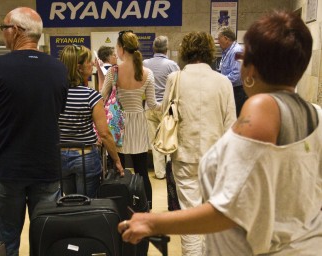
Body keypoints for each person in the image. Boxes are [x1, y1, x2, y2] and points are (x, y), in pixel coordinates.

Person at [118, 10, 322, 255]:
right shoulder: (316, 115)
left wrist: (152, 222)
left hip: (257, 245)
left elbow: (230, 209)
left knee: (191, 217)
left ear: (250, 67)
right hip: (308, 245)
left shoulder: (261, 111)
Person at [130, 31, 237, 256]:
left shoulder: (175, 79)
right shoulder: (224, 82)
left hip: (184, 156)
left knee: (190, 215)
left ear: (186, 51)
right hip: (216, 159)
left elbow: (167, 113)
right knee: (211, 215)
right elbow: (231, 126)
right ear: (209, 51)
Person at [0, 7, 69, 256]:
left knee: (7, 242)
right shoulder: (58, 68)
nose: (3, 34)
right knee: (46, 238)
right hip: (47, 168)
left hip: (8, 169)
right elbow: (56, 112)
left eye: (4, 28)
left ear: (17, 31)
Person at [99, 30, 161, 256]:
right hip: (139, 124)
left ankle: (120, 206)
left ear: (121, 48)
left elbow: (102, 97)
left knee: (119, 168)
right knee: (142, 170)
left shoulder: (113, 72)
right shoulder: (147, 72)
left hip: (118, 126)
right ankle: (146, 208)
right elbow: (153, 104)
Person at [58, 45, 124, 198]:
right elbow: (105, 133)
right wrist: (117, 160)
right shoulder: (91, 96)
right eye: (89, 62)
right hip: (85, 155)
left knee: (69, 201)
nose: (92, 64)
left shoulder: (55, 94)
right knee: (88, 203)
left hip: (60, 156)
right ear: (79, 67)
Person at [143, 35, 180, 180]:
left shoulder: (144, 63)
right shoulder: (172, 65)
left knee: (154, 141)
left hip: (149, 106)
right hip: (166, 108)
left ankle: (159, 173)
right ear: (166, 49)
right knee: (169, 138)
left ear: (153, 48)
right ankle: (170, 171)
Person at [217, 26, 247, 117]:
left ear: (226, 38)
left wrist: (219, 81)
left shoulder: (237, 51)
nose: (218, 42)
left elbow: (237, 75)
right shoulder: (227, 52)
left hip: (237, 92)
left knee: (234, 118)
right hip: (230, 90)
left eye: (219, 39)